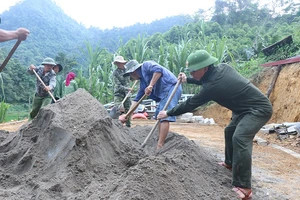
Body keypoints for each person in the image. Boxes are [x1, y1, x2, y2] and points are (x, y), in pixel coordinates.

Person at [157, 50, 273, 199]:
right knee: (229, 131)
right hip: (242, 109)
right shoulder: (221, 69)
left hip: (258, 109)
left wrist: (168, 113)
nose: (192, 74)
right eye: (190, 72)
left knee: (240, 138)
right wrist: (188, 80)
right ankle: (230, 163)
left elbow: (191, 103)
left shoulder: (212, 86)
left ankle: (244, 187)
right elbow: (206, 80)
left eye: (194, 71)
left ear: (205, 68)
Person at [119, 60, 182, 149]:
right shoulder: (143, 83)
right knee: (158, 116)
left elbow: (158, 70)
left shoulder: (146, 65)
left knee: (164, 116)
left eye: (130, 74)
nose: (130, 77)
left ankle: (160, 145)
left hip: (172, 88)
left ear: (133, 71)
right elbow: (136, 100)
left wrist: (151, 85)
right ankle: (160, 142)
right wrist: (127, 115)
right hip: (164, 95)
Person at [112, 56, 132, 127]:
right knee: (117, 108)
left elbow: (132, 78)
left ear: (123, 63)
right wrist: (127, 89)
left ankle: (128, 126)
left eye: (120, 63)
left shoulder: (128, 70)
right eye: (117, 63)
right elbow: (118, 85)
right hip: (118, 93)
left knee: (128, 109)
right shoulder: (115, 73)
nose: (119, 64)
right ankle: (117, 125)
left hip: (127, 93)